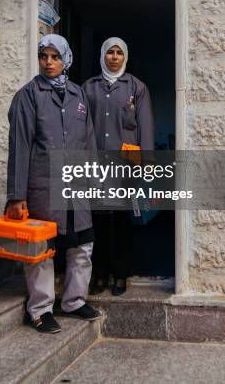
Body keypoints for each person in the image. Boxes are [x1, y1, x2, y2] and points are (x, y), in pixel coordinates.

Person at [6, 34, 101, 334]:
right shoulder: (28, 95)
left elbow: (90, 141)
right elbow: (20, 146)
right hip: (45, 185)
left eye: (55, 57)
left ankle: (74, 301)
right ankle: (40, 309)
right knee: (43, 249)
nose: (49, 63)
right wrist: (16, 195)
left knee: (82, 244)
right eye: (44, 56)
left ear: (65, 59)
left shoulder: (77, 94)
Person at [83, 37, 155, 295]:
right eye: (109, 53)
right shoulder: (88, 88)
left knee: (122, 221)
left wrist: (146, 165)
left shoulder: (137, 87)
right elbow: (82, 126)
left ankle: (121, 274)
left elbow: (145, 127)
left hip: (126, 163)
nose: (114, 57)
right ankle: (100, 273)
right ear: (102, 56)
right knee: (98, 221)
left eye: (119, 53)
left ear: (125, 57)